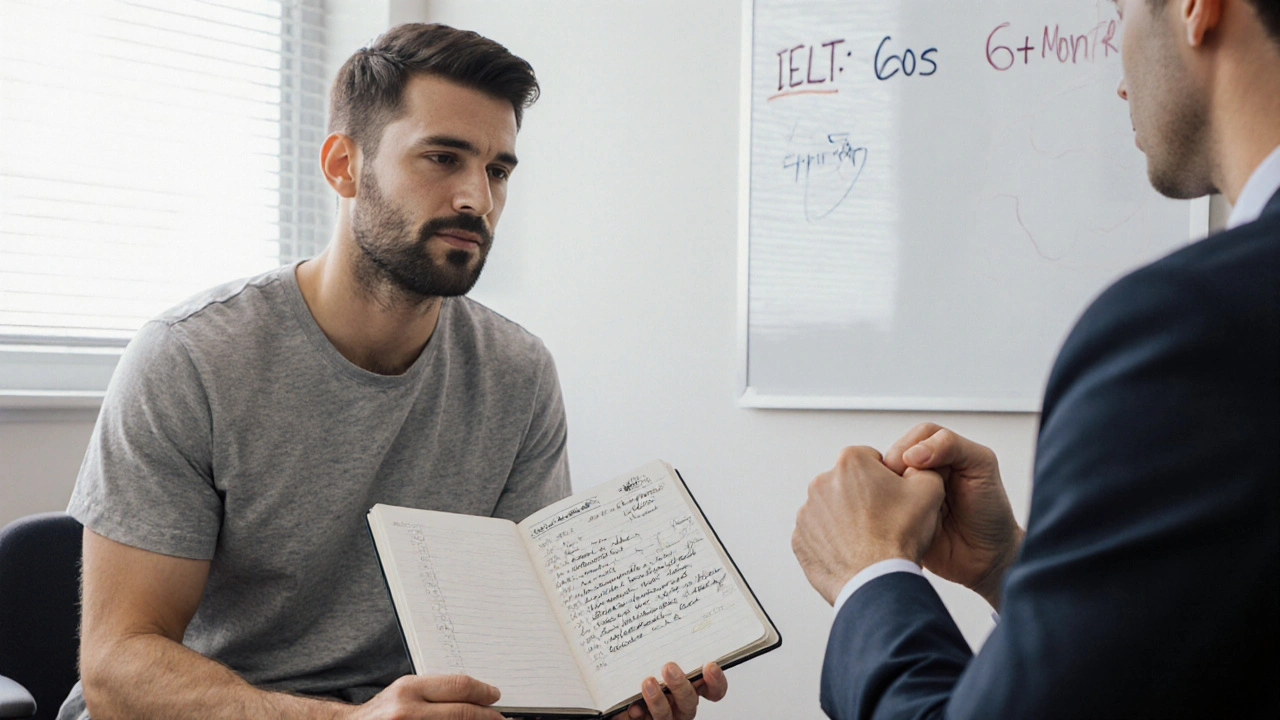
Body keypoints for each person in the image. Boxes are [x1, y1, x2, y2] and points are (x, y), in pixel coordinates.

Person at [60, 23, 725, 720]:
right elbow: (116, 669)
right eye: (443, 158)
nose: (478, 198)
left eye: (498, 170)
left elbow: (518, 644)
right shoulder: (189, 358)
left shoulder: (518, 375)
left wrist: (606, 699)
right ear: (343, 165)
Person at [791, 0, 1280, 717]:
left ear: (1195, 9)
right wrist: (1013, 570)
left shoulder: (1187, 335)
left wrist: (870, 571)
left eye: (1120, 13)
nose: (1118, 78)